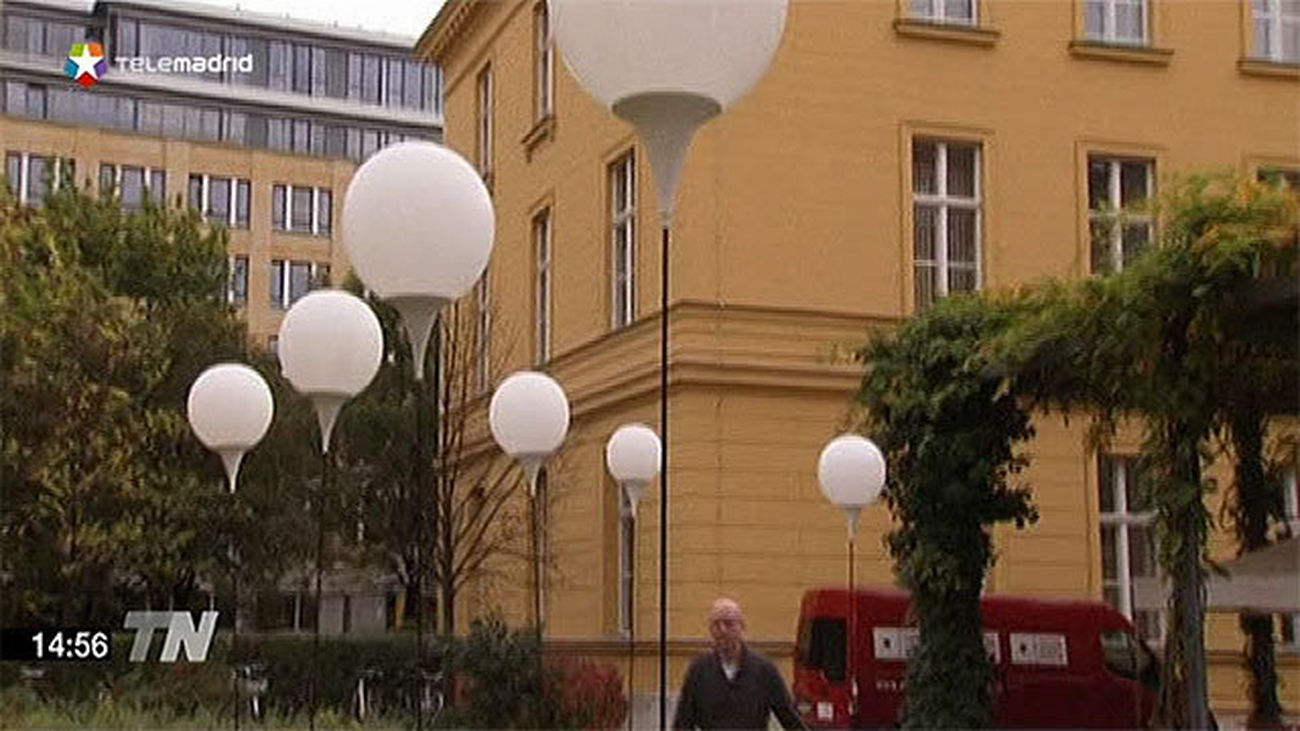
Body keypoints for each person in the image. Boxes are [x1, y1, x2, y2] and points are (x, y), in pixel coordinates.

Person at [672, 597, 807, 730]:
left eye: (728, 623)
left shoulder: (764, 670)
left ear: (742, 626)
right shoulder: (699, 670)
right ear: (710, 629)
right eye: (716, 624)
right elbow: (683, 721)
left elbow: (789, 718)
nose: (722, 630)